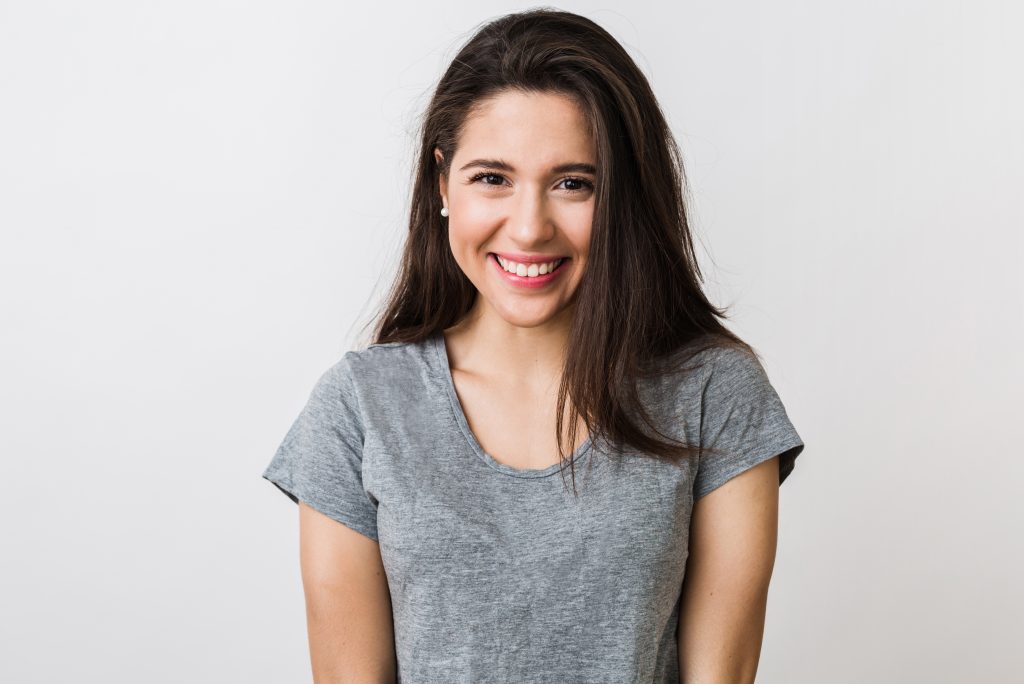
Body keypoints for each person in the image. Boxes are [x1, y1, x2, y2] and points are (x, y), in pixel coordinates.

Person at [262, 8, 806, 683]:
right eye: (492, 177)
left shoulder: (715, 395)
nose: (528, 227)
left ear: (624, 196)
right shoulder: (360, 409)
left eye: (573, 183)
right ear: (442, 184)